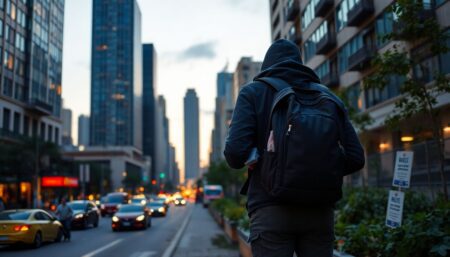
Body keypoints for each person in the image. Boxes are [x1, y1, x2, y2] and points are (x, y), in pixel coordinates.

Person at [224, 39, 365, 257]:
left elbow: (234, 154)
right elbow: (356, 157)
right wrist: (319, 168)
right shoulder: (328, 98)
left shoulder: (253, 93)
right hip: (319, 211)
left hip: (270, 209)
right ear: (299, 64)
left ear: (267, 66)